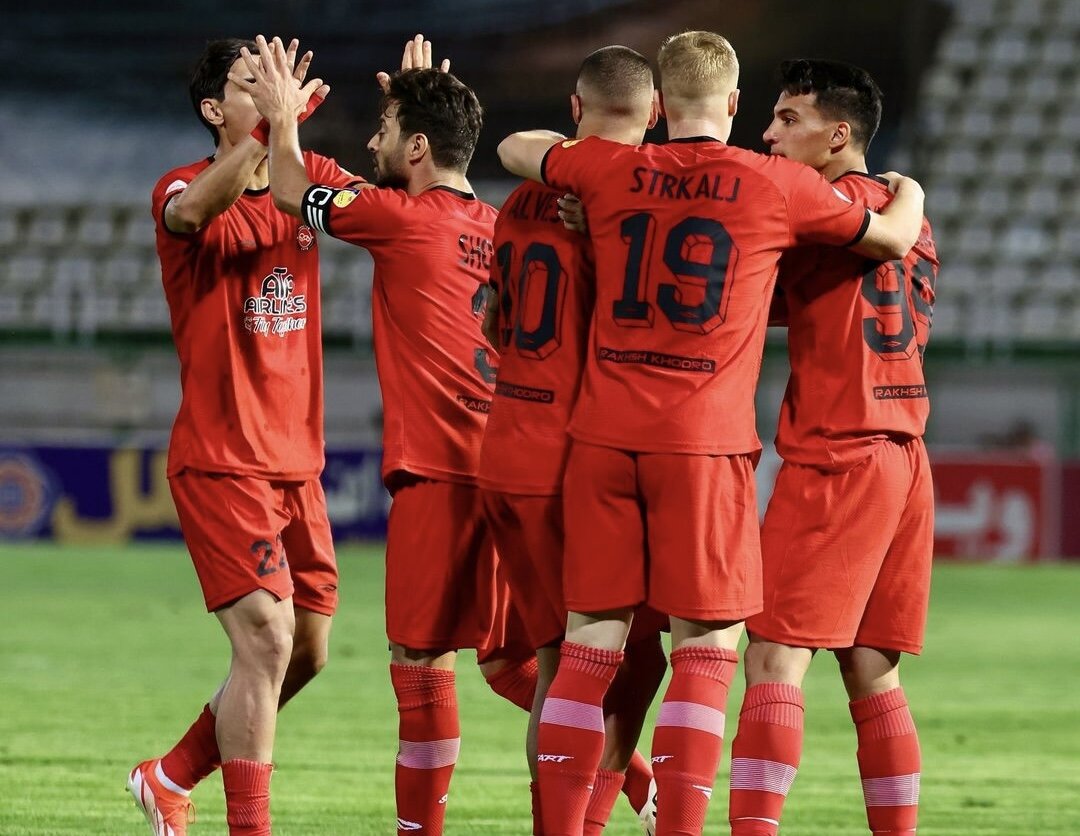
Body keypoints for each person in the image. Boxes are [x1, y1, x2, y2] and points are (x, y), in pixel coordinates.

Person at [497, 29, 925, 835]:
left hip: (602, 438)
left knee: (587, 648)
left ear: (660, 106)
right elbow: (893, 238)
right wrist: (912, 190)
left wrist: (595, 164)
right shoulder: (774, 183)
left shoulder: (607, 167)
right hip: (703, 443)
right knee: (707, 650)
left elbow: (517, 146)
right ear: (732, 101)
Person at [234, 35, 538, 835]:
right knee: (511, 662)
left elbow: (289, 188)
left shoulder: (400, 219)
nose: (372, 143)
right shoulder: (502, 226)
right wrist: (422, 103)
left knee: (419, 664)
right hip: (513, 466)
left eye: (385, 129)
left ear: (418, 148)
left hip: (439, 469)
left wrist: (281, 117)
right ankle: (639, 786)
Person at [128, 37, 361, 836]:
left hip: (298, 465)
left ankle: (169, 776)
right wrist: (271, 127)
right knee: (266, 639)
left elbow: (388, 206)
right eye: (248, 83)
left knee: (309, 651)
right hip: (222, 460)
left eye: (274, 79)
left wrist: (423, 117)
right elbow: (191, 215)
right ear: (213, 109)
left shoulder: (306, 176)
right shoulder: (181, 186)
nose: (268, 89)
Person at [726, 59, 939, 836]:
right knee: (871, 670)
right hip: (906, 455)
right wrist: (912, 189)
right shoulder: (910, 220)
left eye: (788, 119)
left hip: (840, 450)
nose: (769, 133)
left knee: (771, 657)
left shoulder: (815, 209)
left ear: (837, 134)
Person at [477, 45, 667, 834]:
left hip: (507, 443)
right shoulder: (638, 208)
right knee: (617, 659)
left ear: (576, 107)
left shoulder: (520, 201)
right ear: (656, 113)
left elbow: (493, 321)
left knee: (568, 662)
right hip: (580, 456)